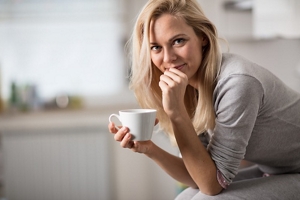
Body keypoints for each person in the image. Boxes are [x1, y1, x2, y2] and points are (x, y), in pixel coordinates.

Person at [108, 0, 300, 199]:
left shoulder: (238, 83)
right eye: (156, 47)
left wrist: (176, 112)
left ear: (203, 37)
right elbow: (198, 175)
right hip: (276, 168)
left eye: (178, 41)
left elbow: (212, 185)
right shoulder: (189, 88)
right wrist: (149, 149)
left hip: (294, 170)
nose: (168, 58)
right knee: (184, 197)